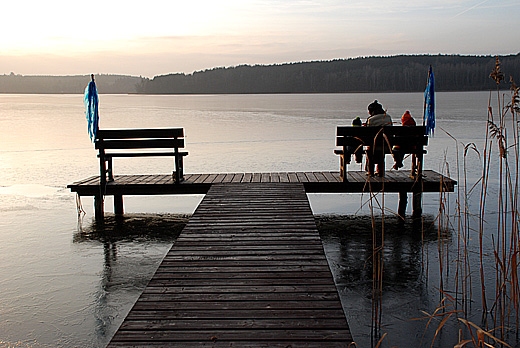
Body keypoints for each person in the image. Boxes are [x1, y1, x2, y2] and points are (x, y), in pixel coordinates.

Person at [365, 100, 392, 176]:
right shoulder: (388, 117)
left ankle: (371, 172)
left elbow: (368, 134)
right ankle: (380, 171)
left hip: (374, 146)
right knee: (381, 149)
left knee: (370, 148)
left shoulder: (371, 119)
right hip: (386, 145)